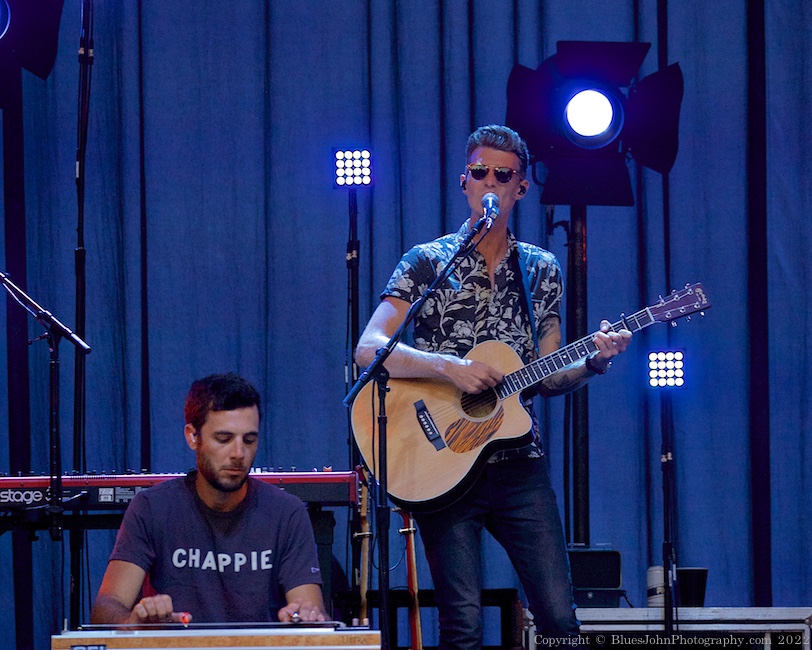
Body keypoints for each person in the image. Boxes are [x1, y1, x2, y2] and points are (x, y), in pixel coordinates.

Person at [354, 124, 632, 648]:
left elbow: (548, 374)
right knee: (463, 627)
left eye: (502, 175)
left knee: (559, 620)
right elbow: (370, 348)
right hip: (443, 467)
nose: (489, 182)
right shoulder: (428, 261)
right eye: (479, 172)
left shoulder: (540, 268)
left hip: (517, 465)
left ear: (520, 189)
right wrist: (449, 368)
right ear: (463, 182)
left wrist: (593, 361)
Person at [91, 372, 327, 625]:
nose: (238, 453)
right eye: (223, 439)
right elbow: (105, 609)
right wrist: (133, 621)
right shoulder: (153, 508)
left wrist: (304, 618)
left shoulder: (286, 513)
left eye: (249, 440)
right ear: (193, 436)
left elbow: (312, 612)